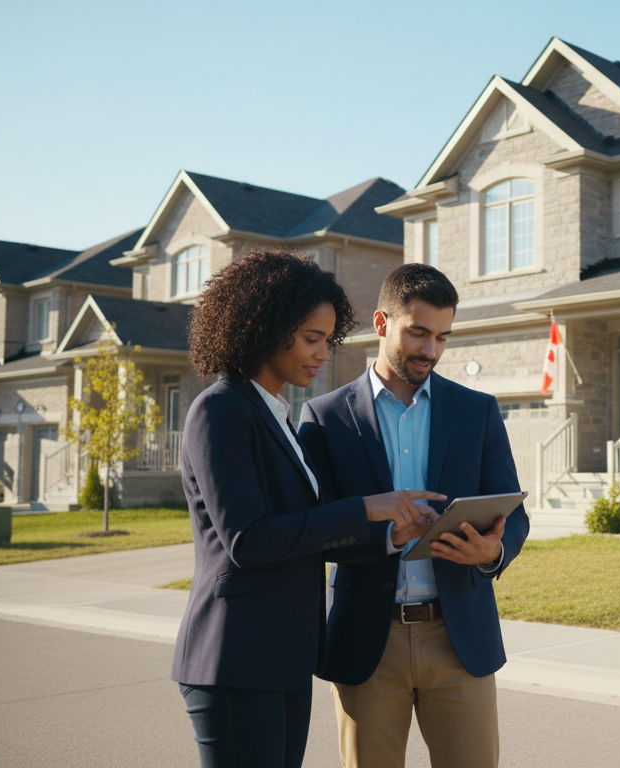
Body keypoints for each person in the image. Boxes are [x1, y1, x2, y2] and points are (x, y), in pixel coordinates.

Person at [172, 248, 444, 768]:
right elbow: (249, 541)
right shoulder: (221, 411)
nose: (323, 354)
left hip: (284, 657)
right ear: (263, 329)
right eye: (311, 339)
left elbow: (303, 532)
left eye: (327, 340)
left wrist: (389, 535)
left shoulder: (277, 416)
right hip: (235, 658)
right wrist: (366, 508)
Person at [298, 263, 529, 768]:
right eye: (418, 332)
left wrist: (494, 551)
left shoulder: (478, 411)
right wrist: (382, 539)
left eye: (442, 337)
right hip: (366, 644)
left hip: (459, 637)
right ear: (382, 323)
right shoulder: (324, 418)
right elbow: (314, 531)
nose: (431, 350)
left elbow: (515, 513)